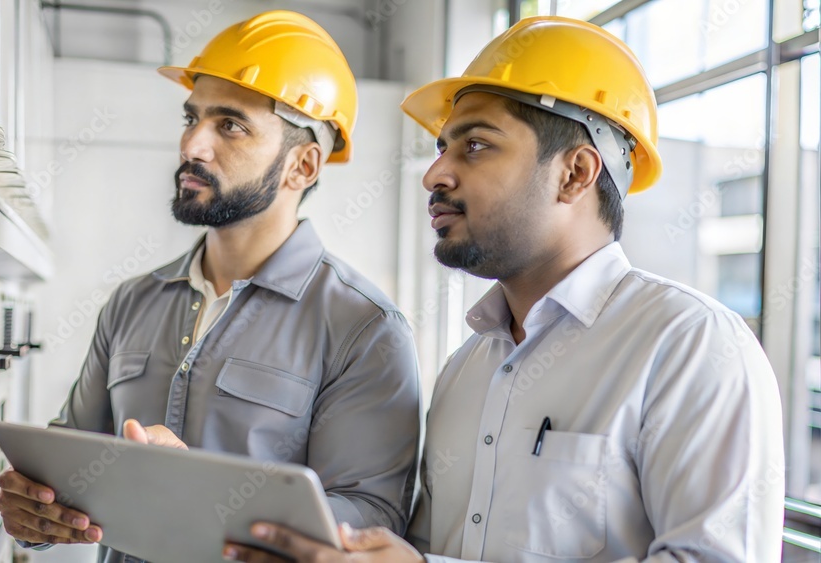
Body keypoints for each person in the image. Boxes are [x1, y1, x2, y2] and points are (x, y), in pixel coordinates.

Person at [225, 15, 785, 563]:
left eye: (474, 146)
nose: (435, 174)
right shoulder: (467, 370)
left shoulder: (690, 346)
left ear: (574, 173)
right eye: (443, 147)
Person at [0, 11, 422, 563]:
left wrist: (197, 495)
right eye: (192, 117)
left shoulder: (363, 329)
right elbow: (69, 461)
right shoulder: (133, 302)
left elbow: (371, 519)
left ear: (303, 165)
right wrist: (34, 510)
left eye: (230, 125)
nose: (192, 145)